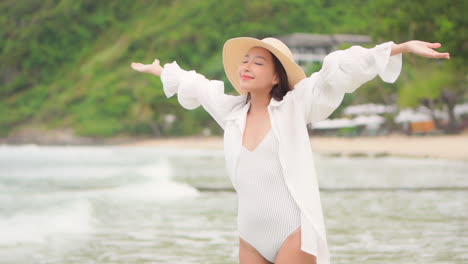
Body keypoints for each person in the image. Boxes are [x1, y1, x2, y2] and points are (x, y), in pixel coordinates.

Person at [131, 37, 449, 264]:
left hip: (293, 231)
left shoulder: (295, 106)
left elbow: (337, 68)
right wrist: (161, 72)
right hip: (250, 235)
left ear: (275, 76)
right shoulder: (230, 111)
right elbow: (196, 85)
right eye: (245, 61)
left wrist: (398, 48)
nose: (247, 66)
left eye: (258, 62)